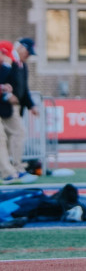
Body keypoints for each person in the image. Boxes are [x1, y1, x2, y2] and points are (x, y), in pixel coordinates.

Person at [0, 41, 37, 184]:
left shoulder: (19, 65)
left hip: (9, 107)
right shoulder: (9, 64)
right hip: (5, 106)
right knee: (4, 137)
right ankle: (9, 171)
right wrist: (6, 94)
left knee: (8, 137)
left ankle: (11, 170)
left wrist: (4, 89)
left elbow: (22, 89)